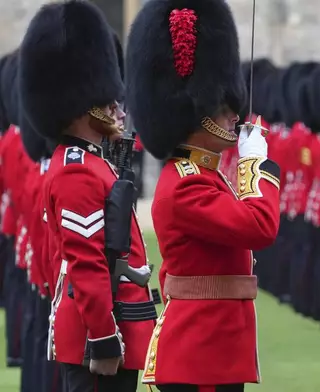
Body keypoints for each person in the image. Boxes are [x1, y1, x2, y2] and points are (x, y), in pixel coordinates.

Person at [125, 0, 281, 391]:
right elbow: (260, 227)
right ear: (197, 112)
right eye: (223, 107)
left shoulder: (202, 175)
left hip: (213, 348)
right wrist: (256, 166)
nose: (234, 115)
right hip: (200, 352)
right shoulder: (187, 183)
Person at [19, 1, 156, 390]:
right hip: (95, 339)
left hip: (115, 324)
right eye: (107, 99)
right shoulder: (78, 170)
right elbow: (87, 262)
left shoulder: (93, 163)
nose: (117, 106)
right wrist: (103, 337)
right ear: (82, 104)